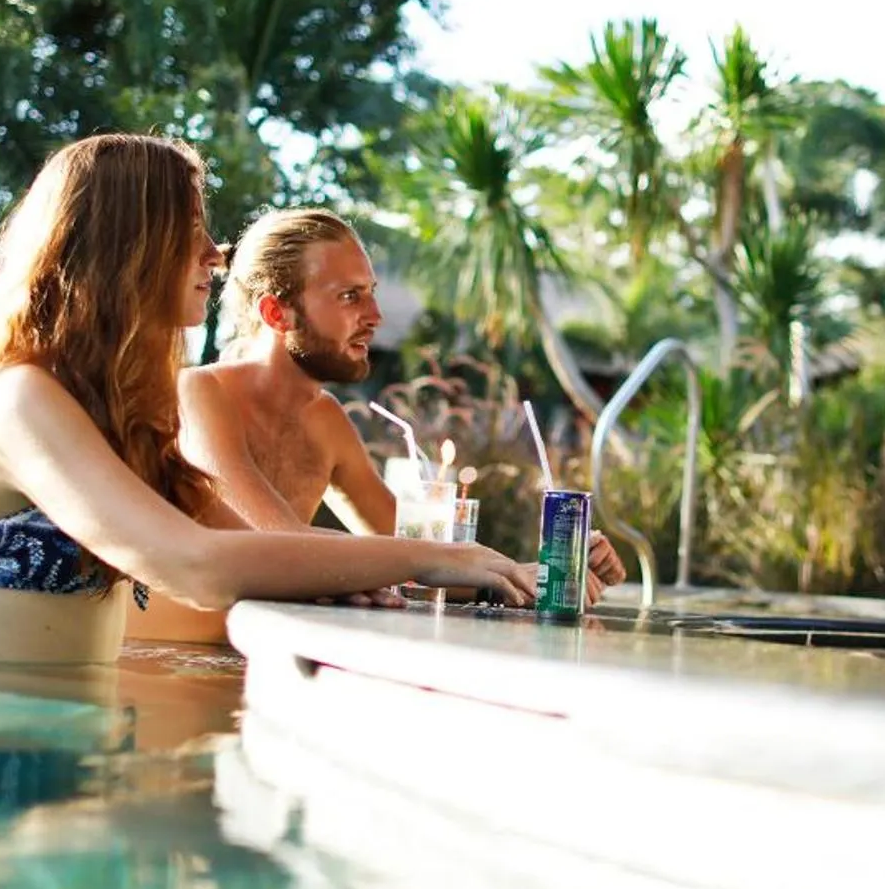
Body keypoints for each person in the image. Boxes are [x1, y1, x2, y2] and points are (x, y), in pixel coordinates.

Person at [0, 136, 534, 667]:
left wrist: (489, 572)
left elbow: (253, 546)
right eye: (189, 227)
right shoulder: (20, 399)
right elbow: (196, 564)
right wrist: (437, 557)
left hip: (68, 758)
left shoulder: (120, 415)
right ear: (125, 245)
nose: (214, 252)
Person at [173, 208, 625, 621]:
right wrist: (444, 561)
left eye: (371, 293)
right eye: (350, 297)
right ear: (277, 312)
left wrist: (542, 571)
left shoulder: (325, 420)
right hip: (167, 673)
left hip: (259, 657)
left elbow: (423, 562)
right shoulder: (202, 392)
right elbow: (280, 544)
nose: (375, 315)